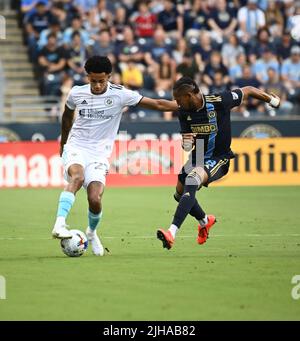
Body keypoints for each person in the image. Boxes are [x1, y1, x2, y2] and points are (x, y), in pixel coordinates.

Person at [52, 55, 178, 256]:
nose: (98, 85)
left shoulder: (121, 95)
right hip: (76, 146)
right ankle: (59, 224)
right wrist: (63, 143)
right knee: (78, 177)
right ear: (88, 77)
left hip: (100, 154)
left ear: (109, 77)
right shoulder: (77, 93)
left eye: (102, 81)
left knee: (95, 198)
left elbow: (158, 104)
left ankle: (91, 233)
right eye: (93, 81)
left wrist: (188, 107)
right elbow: (67, 118)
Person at [157, 76, 281, 250]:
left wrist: (272, 100)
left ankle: (172, 232)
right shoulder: (183, 111)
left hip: (219, 156)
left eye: (179, 99)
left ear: (191, 95)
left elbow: (248, 90)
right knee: (179, 194)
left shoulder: (220, 101)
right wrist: (186, 142)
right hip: (198, 153)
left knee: (192, 180)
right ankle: (205, 221)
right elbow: (187, 143)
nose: (176, 103)